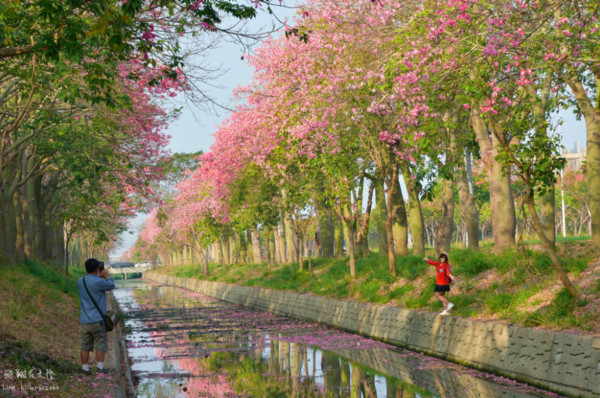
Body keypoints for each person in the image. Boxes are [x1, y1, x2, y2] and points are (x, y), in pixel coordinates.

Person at [78, 258, 115, 374]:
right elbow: (111, 285)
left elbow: (92, 284)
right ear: (97, 268)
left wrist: (97, 276)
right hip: (97, 320)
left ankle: (85, 368)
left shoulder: (80, 281)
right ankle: (100, 368)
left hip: (85, 320)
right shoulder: (99, 282)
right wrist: (107, 275)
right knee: (100, 344)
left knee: (85, 345)